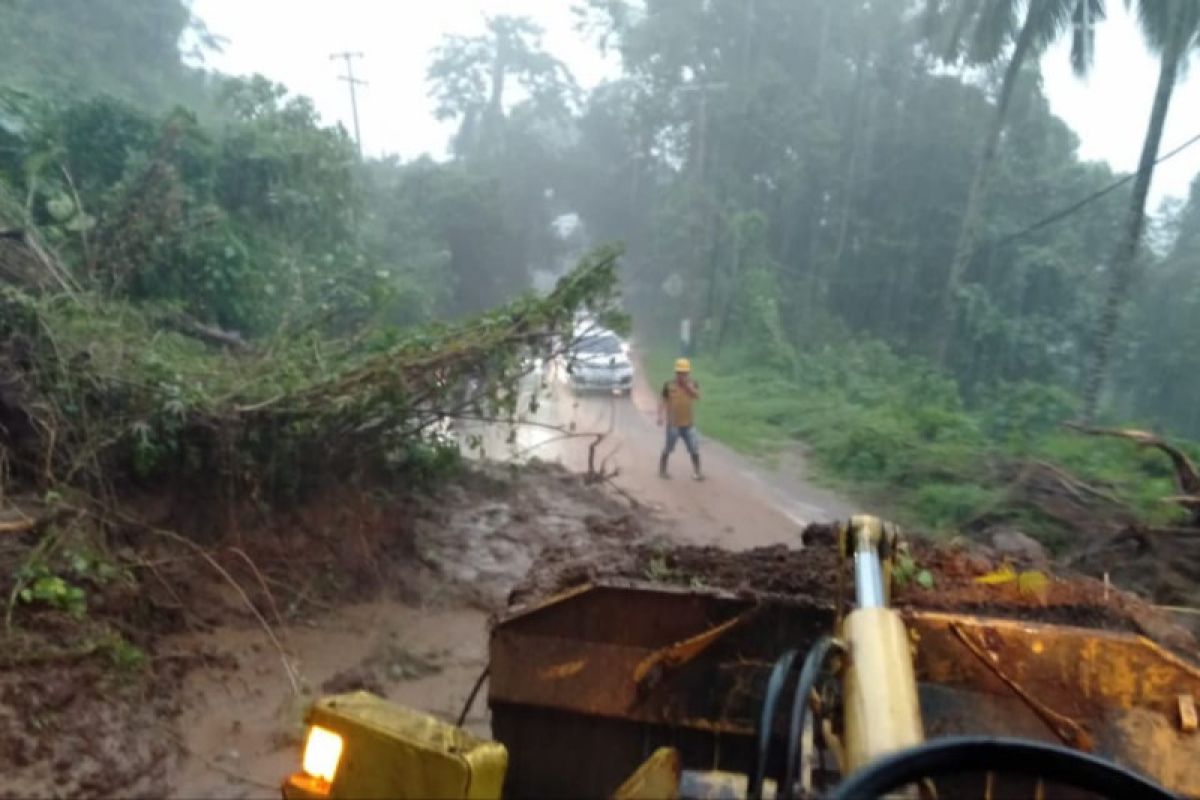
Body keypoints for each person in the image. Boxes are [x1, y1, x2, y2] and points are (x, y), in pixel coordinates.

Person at [658, 358, 704, 480]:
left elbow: (698, 396)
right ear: (676, 373)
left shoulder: (693, 383)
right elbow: (663, 401)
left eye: (684, 373)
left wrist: (688, 387)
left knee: (694, 447)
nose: (682, 376)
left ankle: (698, 472)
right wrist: (660, 416)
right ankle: (662, 470)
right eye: (680, 373)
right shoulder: (668, 385)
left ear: (688, 373)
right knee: (668, 447)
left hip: (688, 424)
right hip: (673, 424)